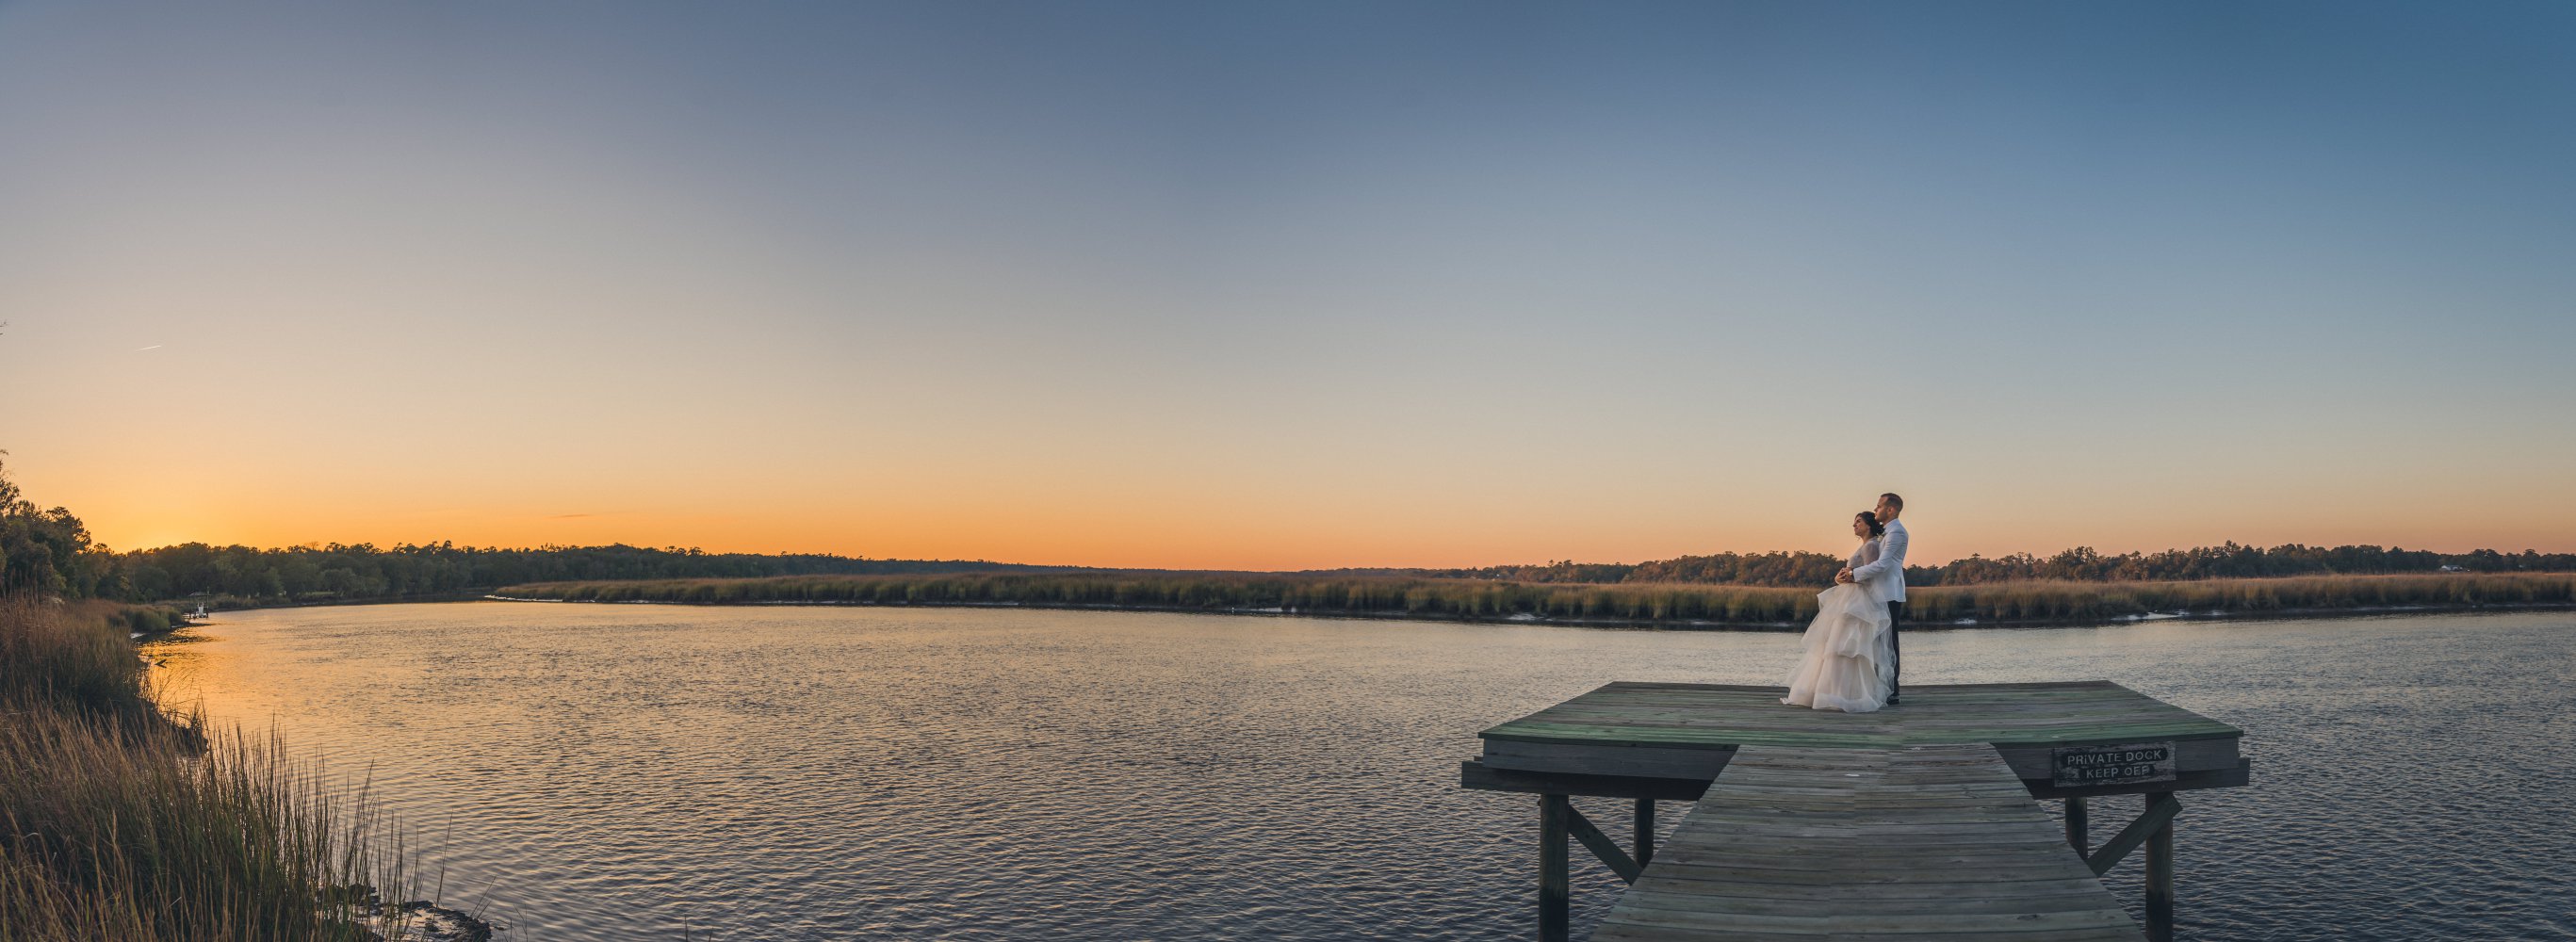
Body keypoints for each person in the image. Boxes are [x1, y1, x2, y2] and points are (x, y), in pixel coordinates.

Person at [1782, 511, 1897, 713]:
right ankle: (1829, 690)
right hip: (1848, 597)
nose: (1854, 525)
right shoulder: (1863, 546)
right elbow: (1853, 574)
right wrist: (1842, 577)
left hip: (1857, 602)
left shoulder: (1871, 546)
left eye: (1858, 522)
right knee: (1836, 644)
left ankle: (1845, 694)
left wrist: (1851, 575)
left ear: (1868, 526)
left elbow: (1871, 575)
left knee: (1847, 646)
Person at [1838, 492, 1907, 705]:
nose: (1875, 509)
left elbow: (1883, 564)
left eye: (1878, 507)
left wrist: (1853, 575)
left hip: (1889, 593)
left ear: (1891, 510)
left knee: (1888, 643)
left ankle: (1892, 690)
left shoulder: (1896, 533)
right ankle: (1880, 686)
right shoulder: (1885, 534)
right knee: (1878, 642)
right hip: (1877, 592)